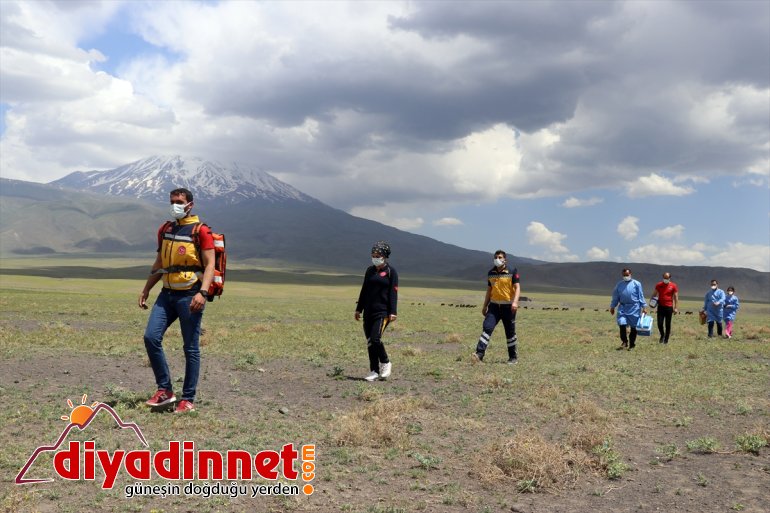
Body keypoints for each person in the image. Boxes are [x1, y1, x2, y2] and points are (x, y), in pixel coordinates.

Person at [138, 188, 215, 413]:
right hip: (166, 294)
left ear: (190, 204)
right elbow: (160, 263)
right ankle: (165, 390)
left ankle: (188, 399)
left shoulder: (201, 231)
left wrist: (203, 293)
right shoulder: (166, 229)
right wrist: (146, 289)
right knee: (151, 337)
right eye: (172, 201)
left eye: (179, 202)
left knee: (190, 348)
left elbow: (210, 264)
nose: (175, 205)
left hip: (190, 295)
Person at [355, 241, 398, 381]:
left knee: (375, 338)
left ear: (384, 256)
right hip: (368, 311)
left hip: (383, 312)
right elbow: (364, 290)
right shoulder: (370, 271)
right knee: (370, 342)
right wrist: (358, 309)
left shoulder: (391, 272)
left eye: (377, 256)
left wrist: (393, 311)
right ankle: (374, 371)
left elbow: (393, 293)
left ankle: (385, 362)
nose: (375, 258)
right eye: (373, 255)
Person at [472, 250, 520, 364]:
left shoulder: (512, 271)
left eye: (500, 257)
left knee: (510, 332)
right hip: (494, 307)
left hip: (508, 307)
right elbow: (489, 290)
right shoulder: (491, 273)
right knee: (487, 328)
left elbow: (517, 287)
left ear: (505, 260)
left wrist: (515, 302)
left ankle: (513, 357)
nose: (497, 259)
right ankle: (479, 354)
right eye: (495, 257)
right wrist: (485, 306)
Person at [610, 268, 647, 350]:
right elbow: (615, 297)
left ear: (630, 274)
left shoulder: (637, 284)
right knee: (622, 323)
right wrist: (612, 306)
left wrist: (644, 307)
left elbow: (641, 296)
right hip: (623, 307)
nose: (625, 276)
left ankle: (632, 344)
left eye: (627, 275)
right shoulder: (619, 285)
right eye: (624, 275)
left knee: (634, 327)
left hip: (634, 308)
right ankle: (624, 341)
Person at [652, 272, 679, 344]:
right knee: (659, 323)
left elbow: (676, 297)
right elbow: (654, 294)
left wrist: (676, 308)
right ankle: (662, 335)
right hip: (660, 307)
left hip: (669, 307)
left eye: (667, 278)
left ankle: (666, 339)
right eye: (664, 278)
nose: (665, 279)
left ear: (669, 278)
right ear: (663, 277)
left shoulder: (673, 285)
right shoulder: (659, 285)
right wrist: (651, 303)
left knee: (667, 324)